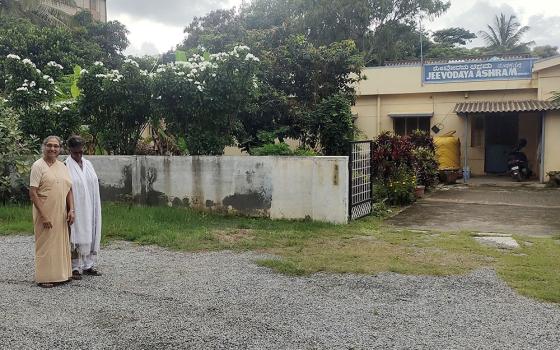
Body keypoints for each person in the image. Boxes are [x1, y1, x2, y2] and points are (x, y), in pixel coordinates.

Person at [29, 136, 75, 288]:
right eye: (49, 145)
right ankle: (45, 277)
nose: (52, 149)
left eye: (56, 146)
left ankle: (63, 274)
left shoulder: (62, 166)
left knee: (61, 242)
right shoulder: (38, 166)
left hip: (60, 211)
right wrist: (43, 215)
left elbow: (69, 189)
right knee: (45, 243)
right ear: (44, 147)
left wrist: (71, 209)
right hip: (44, 210)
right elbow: (33, 192)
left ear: (60, 149)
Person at [65, 135, 102, 279]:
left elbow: (93, 183)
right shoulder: (65, 165)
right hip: (76, 206)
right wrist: (70, 208)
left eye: (81, 152)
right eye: (75, 152)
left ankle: (88, 265)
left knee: (91, 231)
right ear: (70, 150)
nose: (79, 155)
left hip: (91, 205)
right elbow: (66, 188)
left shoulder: (88, 164)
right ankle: (74, 266)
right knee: (76, 233)